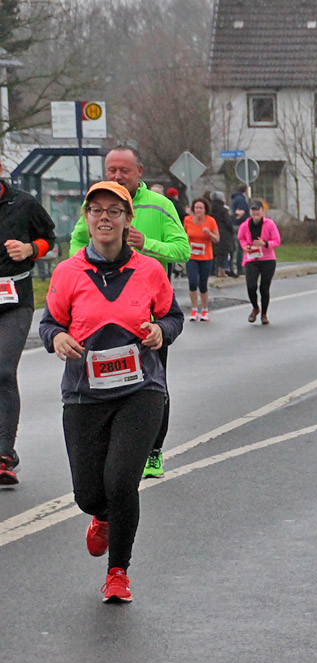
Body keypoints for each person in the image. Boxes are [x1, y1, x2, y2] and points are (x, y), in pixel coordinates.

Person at [40, 181, 184, 602]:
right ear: (86, 219)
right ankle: (101, 516)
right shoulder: (68, 272)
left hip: (140, 390)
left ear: (127, 219)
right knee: (89, 493)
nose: (105, 218)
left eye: (114, 211)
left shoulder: (149, 270)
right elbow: (49, 324)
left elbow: (173, 317)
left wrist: (161, 331)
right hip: (84, 394)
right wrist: (57, 338)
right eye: (97, 210)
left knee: (121, 482)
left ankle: (118, 572)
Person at [69, 145, 189, 480]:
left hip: (148, 315)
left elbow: (183, 250)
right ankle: (115, 444)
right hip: (100, 309)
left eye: (124, 170)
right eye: (111, 170)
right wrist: (82, 270)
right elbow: (76, 242)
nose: (117, 176)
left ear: (139, 172)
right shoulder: (96, 206)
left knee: (154, 384)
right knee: (102, 379)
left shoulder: (160, 205)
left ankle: (153, 450)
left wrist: (147, 243)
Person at [0, 172, 56, 485]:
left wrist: (30, 249)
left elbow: (49, 238)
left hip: (14, 301)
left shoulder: (23, 203)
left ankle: (4, 455)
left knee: (3, 371)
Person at [238, 200, 281, 324]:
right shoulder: (245, 225)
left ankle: (264, 314)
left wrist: (265, 243)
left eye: (258, 210)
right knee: (251, 286)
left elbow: (277, 241)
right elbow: (241, 238)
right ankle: (255, 308)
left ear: (263, 211)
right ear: (250, 212)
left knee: (264, 288)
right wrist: (245, 246)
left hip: (267, 259)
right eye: (253, 210)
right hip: (251, 259)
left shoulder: (269, 224)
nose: (255, 213)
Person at [183, 198, 220, 322]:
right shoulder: (187, 220)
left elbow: (217, 239)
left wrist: (209, 233)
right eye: (196, 208)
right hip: (192, 256)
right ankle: (194, 309)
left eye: (201, 208)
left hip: (206, 257)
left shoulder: (210, 221)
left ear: (205, 209)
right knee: (192, 282)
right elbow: (183, 235)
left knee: (203, 284)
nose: (198, 210)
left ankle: (205, 310)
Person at [208, 194, 236, 278]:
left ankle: (212, 271)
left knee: (213, 254)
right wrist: (233, 229)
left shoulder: (209, 210)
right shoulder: (223, 210)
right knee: (224, 254)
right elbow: (228, 223)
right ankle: (223, 271)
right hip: (224, 235)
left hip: (212, 233)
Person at [230, 184, 249, 275]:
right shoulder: (241, 200)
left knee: (238, 247)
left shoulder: (234, 199)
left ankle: (239, 266)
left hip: (236, 224)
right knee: (241, 247)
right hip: (241, 225)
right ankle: (240, 267)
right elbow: (241, 212)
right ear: (245, 190)